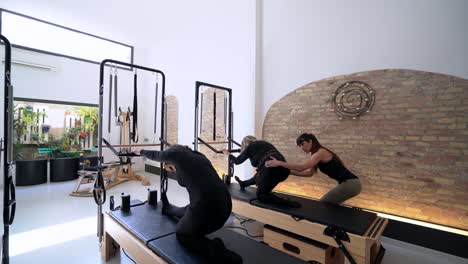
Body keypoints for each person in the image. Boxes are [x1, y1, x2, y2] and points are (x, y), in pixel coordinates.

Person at [137, 145, 242, 264]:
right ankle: (168, 209)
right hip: (226, 206)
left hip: (208, 210)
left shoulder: (177, 156)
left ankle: (218, 251)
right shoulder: (199, 156)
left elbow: (156, 155)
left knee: (182, 234)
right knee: (190, 208)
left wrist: (140, 151)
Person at [265, 133, 361, 205]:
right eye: (300, 146)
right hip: (350, 184)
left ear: (311, 141)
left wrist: (279, 163)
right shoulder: (315, 155)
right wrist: (289, 172)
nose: (302, 148)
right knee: (331, 205)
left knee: (323, 204)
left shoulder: (320, 152)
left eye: (303, 144)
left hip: (351, 184)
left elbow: (302, 167)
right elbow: (308, 174)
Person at [223, 136, 299, 208]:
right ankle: (243, 183)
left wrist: (228, 154)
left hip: (270, 168)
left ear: (245, 145)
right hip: (284, 171)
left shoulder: (251, 147)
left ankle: (287, 203)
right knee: (259, 175)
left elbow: (237, 161)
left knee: (261, 195)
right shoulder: (264, 143)